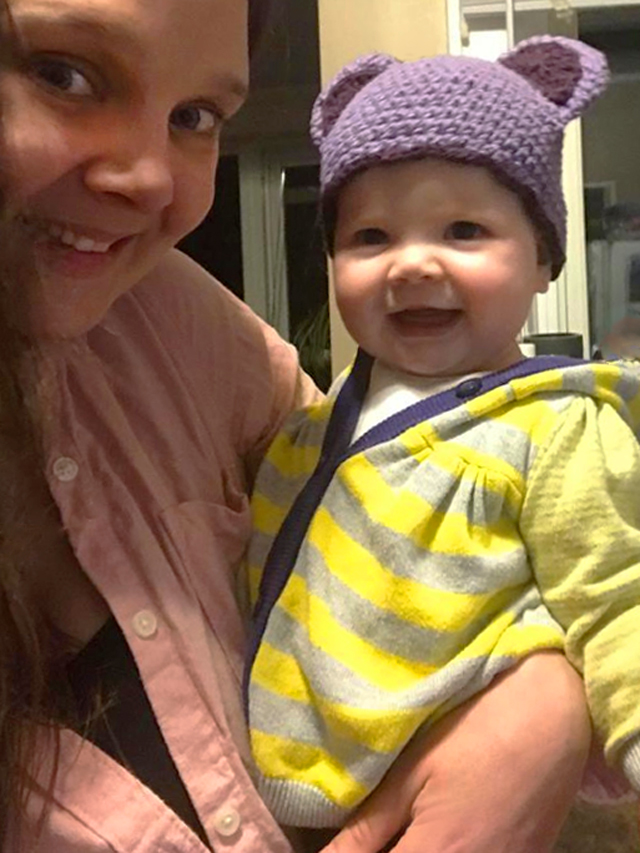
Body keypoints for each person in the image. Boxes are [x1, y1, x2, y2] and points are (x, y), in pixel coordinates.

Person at [0, 1, 593, 850]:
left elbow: (374, 517)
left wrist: (540, 699)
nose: (150, 179)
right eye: (62, 74)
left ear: (543, 260)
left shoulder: (170, 320)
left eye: (194, 116)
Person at [245, 36, 640, 842]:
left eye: (464, 230)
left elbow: (616, 594)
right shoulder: (318, 420)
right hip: (288, 793)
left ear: (543, 260)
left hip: (472, 793)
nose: (413, 265)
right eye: (371, 237)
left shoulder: (556, 426)